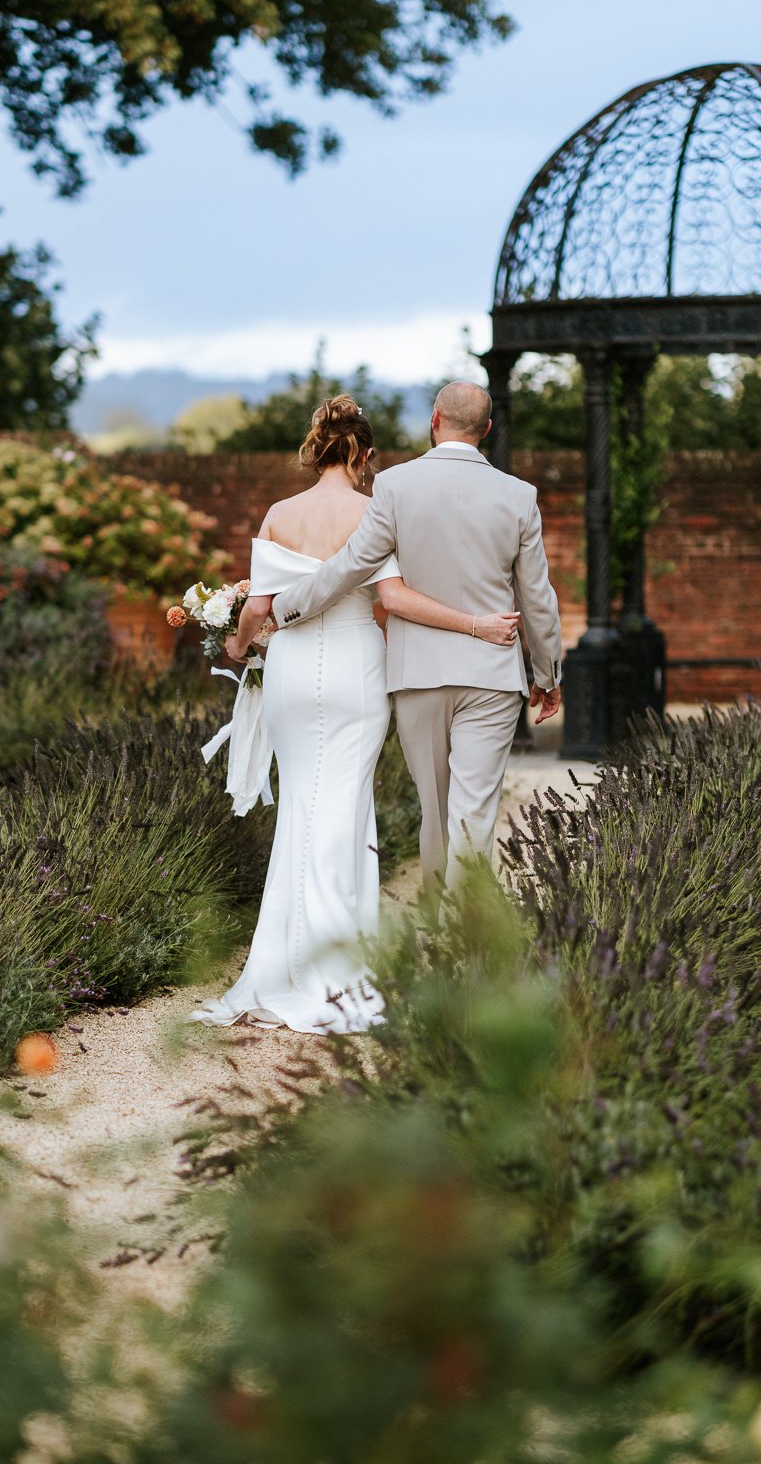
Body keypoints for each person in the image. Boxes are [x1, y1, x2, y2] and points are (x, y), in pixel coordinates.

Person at [187, 393, 521, 1035]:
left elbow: (259, 609)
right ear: (365, 457)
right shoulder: (376, 512)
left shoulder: (279, 514)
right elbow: (394, 600)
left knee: (302, 808)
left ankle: (287, 965)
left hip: (290, 672)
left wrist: (234, 648)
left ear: (316, 451)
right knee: (343, 804)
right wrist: (474, 624)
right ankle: (340, 969)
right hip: (356, 672)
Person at [270, 380, 562, 897]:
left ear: (434, 421)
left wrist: (288, 606)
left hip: (417, 675)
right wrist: (547, 673)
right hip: (491, 677)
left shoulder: (394, 487)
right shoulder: (520, 496)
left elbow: (353, 564)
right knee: (472, 810)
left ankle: (438, 915)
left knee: (435, 808)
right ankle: (462, 925)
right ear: (487, 431)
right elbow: (536, 594)